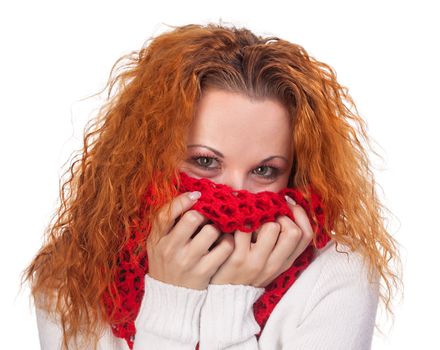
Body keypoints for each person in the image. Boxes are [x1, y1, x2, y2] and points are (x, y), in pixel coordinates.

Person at [21, 22, 403, 350]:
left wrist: (230, 299)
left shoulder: (337, 274)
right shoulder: (73, 273)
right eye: (205, 162)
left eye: (265, 171)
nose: (235, 193)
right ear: (148, 157)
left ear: (296, 173)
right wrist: (171, 296)